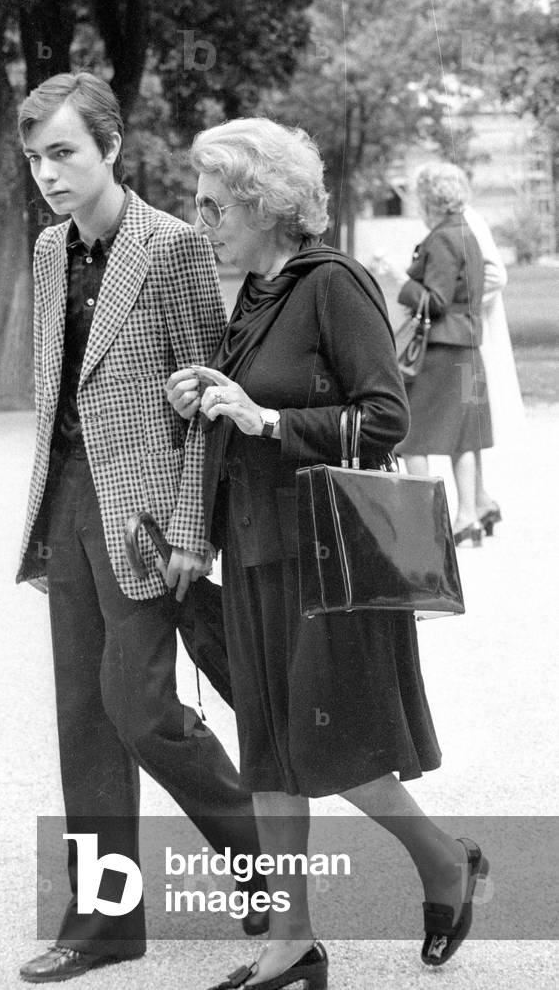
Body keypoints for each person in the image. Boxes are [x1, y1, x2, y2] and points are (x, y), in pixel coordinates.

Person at [166, 118, 488, 990]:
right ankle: (292, 941)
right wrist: (211, 397)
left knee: (331, 744)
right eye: (198, 204)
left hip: (321, 555)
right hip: (254, 548)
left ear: (266, 202)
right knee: (269, 747)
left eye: (215, 205)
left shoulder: (332, 283)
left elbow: (385, 417)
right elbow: (250, 410)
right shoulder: (257, 294)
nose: (202, 221)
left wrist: (266, 417)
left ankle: (445, 861)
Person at [15, 73, 267, 984]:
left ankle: (262, 862)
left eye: (64, 152)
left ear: (112, 147)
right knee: (83, 717)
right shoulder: (50, 249)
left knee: (142, 708)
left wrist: (193, 530)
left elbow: (207, 404)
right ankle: (104, 921)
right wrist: (46, 519)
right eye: (35, 158)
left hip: (149, 514)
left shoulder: (171, 247)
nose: (48, 173)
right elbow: (57, 395)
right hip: (68, 500)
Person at [396, 162, 495, 546]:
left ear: (429, 199)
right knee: (464, 436)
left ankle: (426, 524)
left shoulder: (440, 239)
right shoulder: (468, 233)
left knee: (412, 437)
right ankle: (469, 514)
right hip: (469, 348)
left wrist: (405, 286)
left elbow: (435, 301)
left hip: (440, 351)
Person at [463, 197, 526, 535]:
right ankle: (479, 500)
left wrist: (462, 305)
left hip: (464, 344)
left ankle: (471, 507)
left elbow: (495, 275)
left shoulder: (463, 223)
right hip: (463, 341)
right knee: (465, 420)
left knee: (460, 420)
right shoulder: (459, 222)